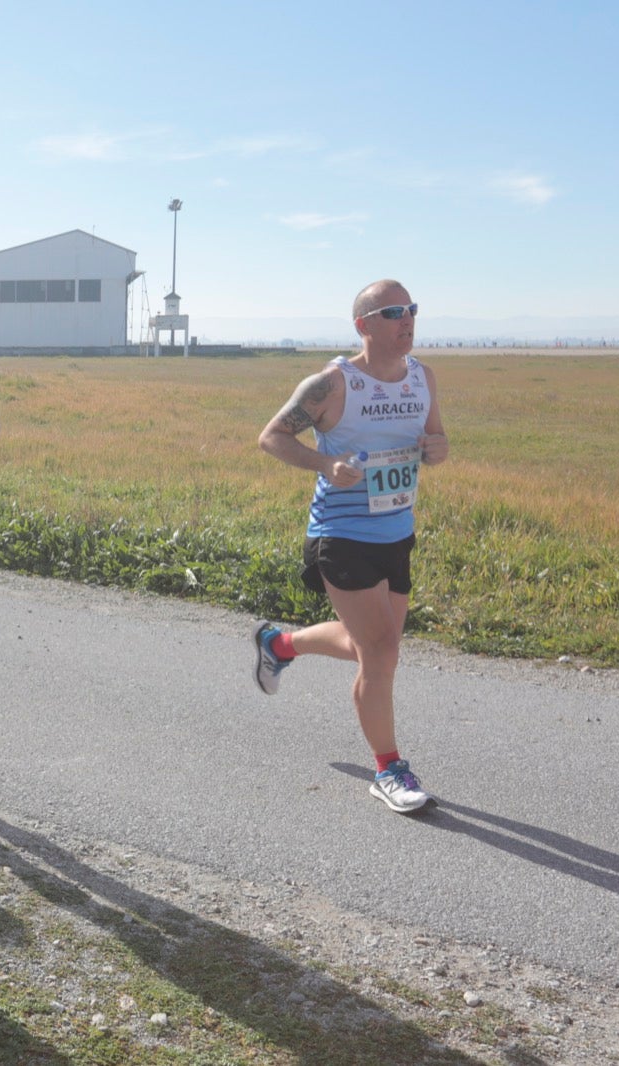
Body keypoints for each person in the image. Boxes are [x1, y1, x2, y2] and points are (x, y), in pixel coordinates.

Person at [253, 279, 449, 813]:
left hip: (395, 532)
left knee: (375, 647)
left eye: (411, 308)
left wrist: (436, 449)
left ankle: (280, 645)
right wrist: (323, 464)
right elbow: (272, 436)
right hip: (341, 535)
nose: (406, 319)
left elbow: (437, 441)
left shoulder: (421, 378)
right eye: (392, 312)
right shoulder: (332, 384)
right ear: (363, 325)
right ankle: (389, 769)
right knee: (381, 652)